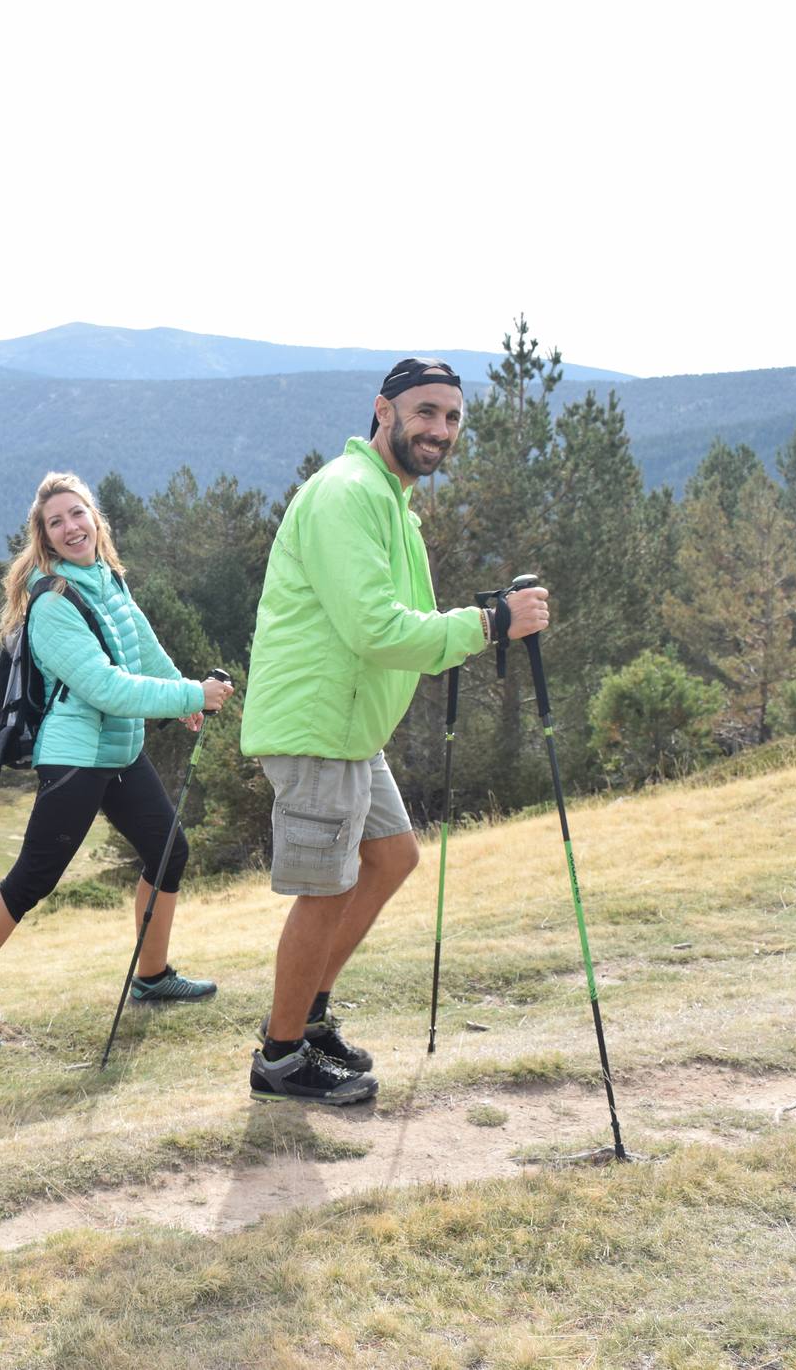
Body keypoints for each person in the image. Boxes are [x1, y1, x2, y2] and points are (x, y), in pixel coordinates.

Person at [241, 359, 550, 1105]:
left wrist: (472, 625)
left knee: (391, 856)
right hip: (319, 724)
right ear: (383, 410)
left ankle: (306, 1016)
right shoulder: (349, 496)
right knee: (325, 887)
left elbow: (392, 620)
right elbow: (375, 629)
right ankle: (279, 1060)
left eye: (450, 417)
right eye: (423, 412)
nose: (438, 429)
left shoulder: (389, 499)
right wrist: (487, 625)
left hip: (347, 724)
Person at [0, 472, 233, 1056]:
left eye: (77, 514)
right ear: (44, 538)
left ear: (94, 518)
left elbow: (143, 648)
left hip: (120, 752)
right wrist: (190, 698)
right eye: (56, 522)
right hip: (76, 758)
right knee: (33, 878)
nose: (70, 527)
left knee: (169, 851)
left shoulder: (106, 579)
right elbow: (104, 687)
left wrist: (182, 688)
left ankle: (152, 976)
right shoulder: (52, 601)